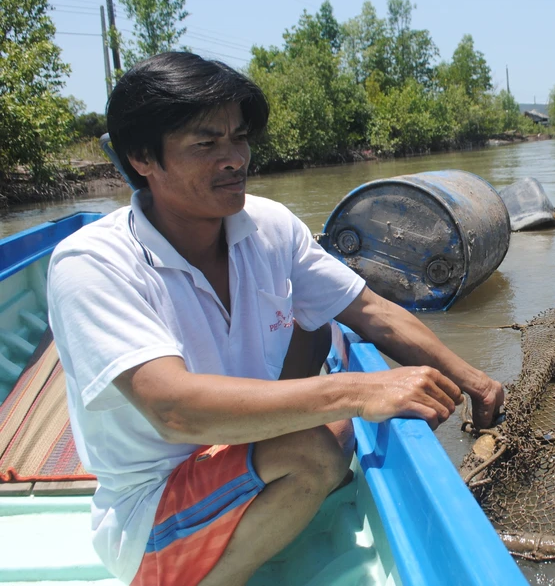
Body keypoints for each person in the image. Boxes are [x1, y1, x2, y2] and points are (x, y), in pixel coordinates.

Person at [47, 52, 505, 586]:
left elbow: (370, 311)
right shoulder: (94, 263)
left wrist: (476, 383)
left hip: (237, 456)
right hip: (152, 513)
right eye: (206, 143)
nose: (234, 158)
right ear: (143, 157)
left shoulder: (266, 225)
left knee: (325, 360)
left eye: (239, 138)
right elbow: (173, 410)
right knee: (314, 447)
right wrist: (359, 390)